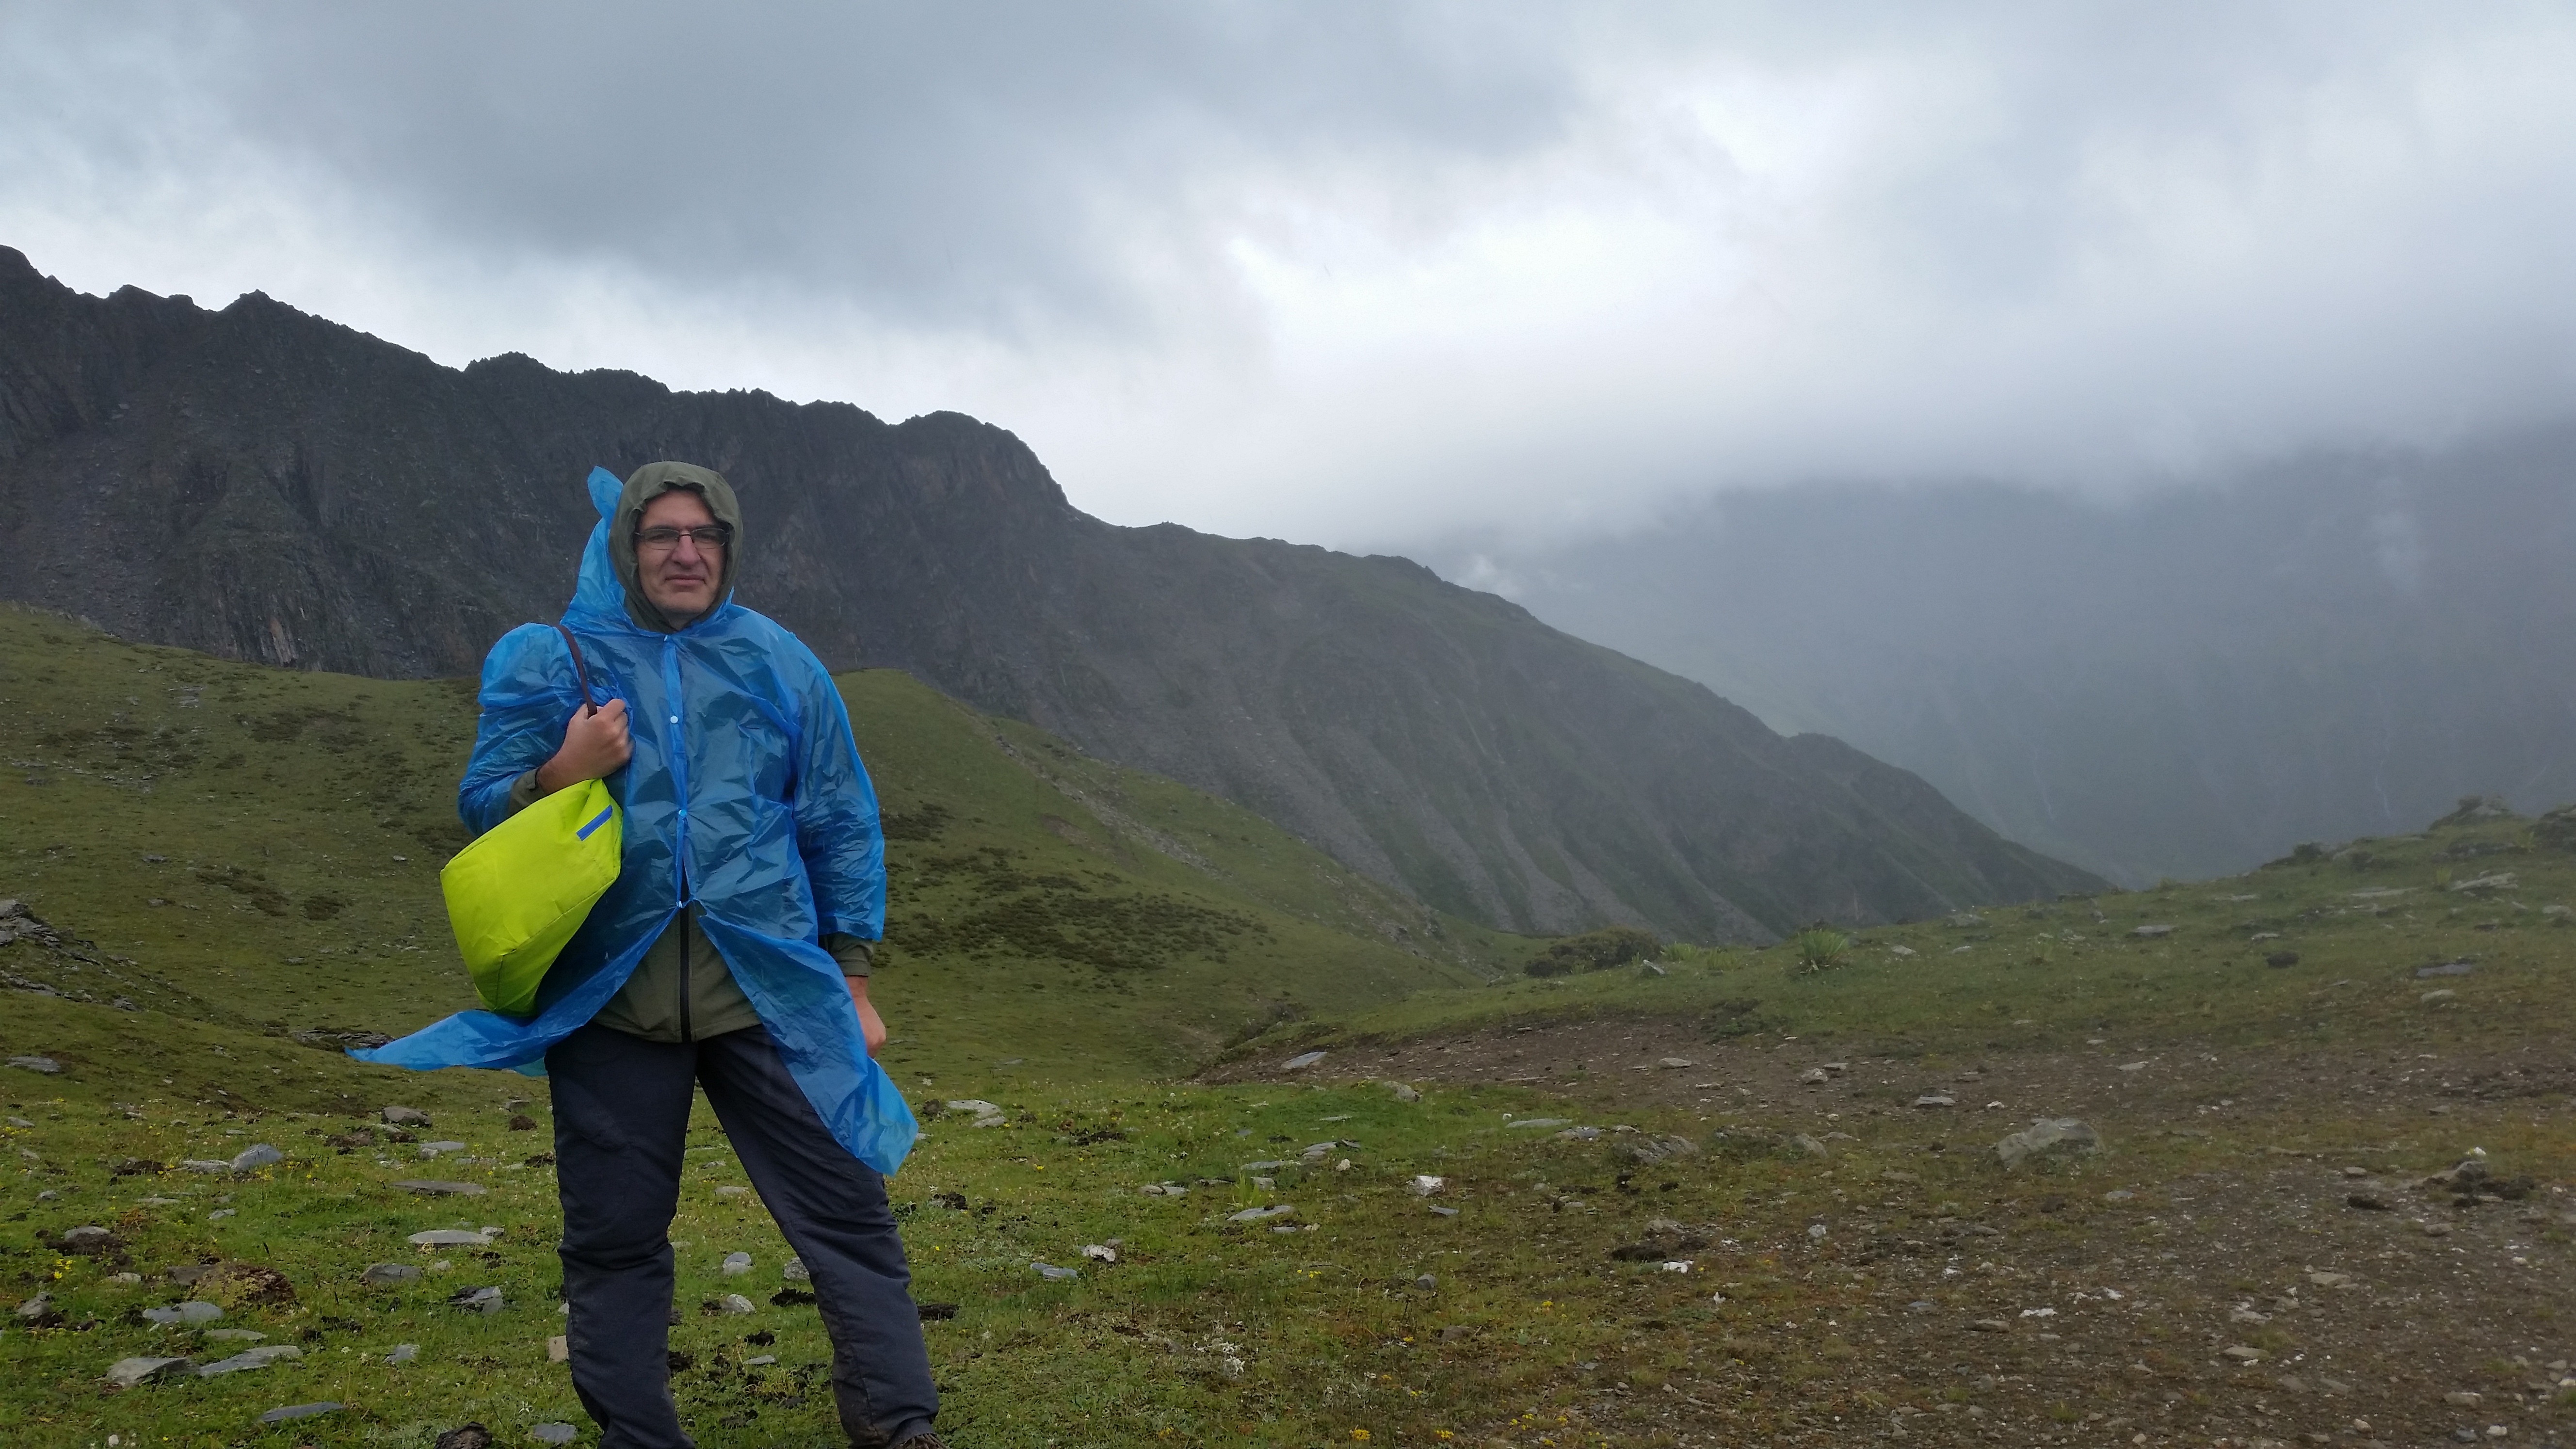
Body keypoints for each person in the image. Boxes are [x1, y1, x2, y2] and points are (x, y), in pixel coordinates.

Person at [359, 463, 941, 1449]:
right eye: (663, 534)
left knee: (846, 1217)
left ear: (729, 547)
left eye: (705, 535)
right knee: (614, 1242)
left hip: (766, 993)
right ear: (627, 546)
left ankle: (899, 1428)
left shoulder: (783, 664)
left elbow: (839, 821)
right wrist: (561, 770)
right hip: (612, 1004)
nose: (685, 552)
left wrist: (850, 977)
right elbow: (480, 802)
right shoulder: (554, 661)